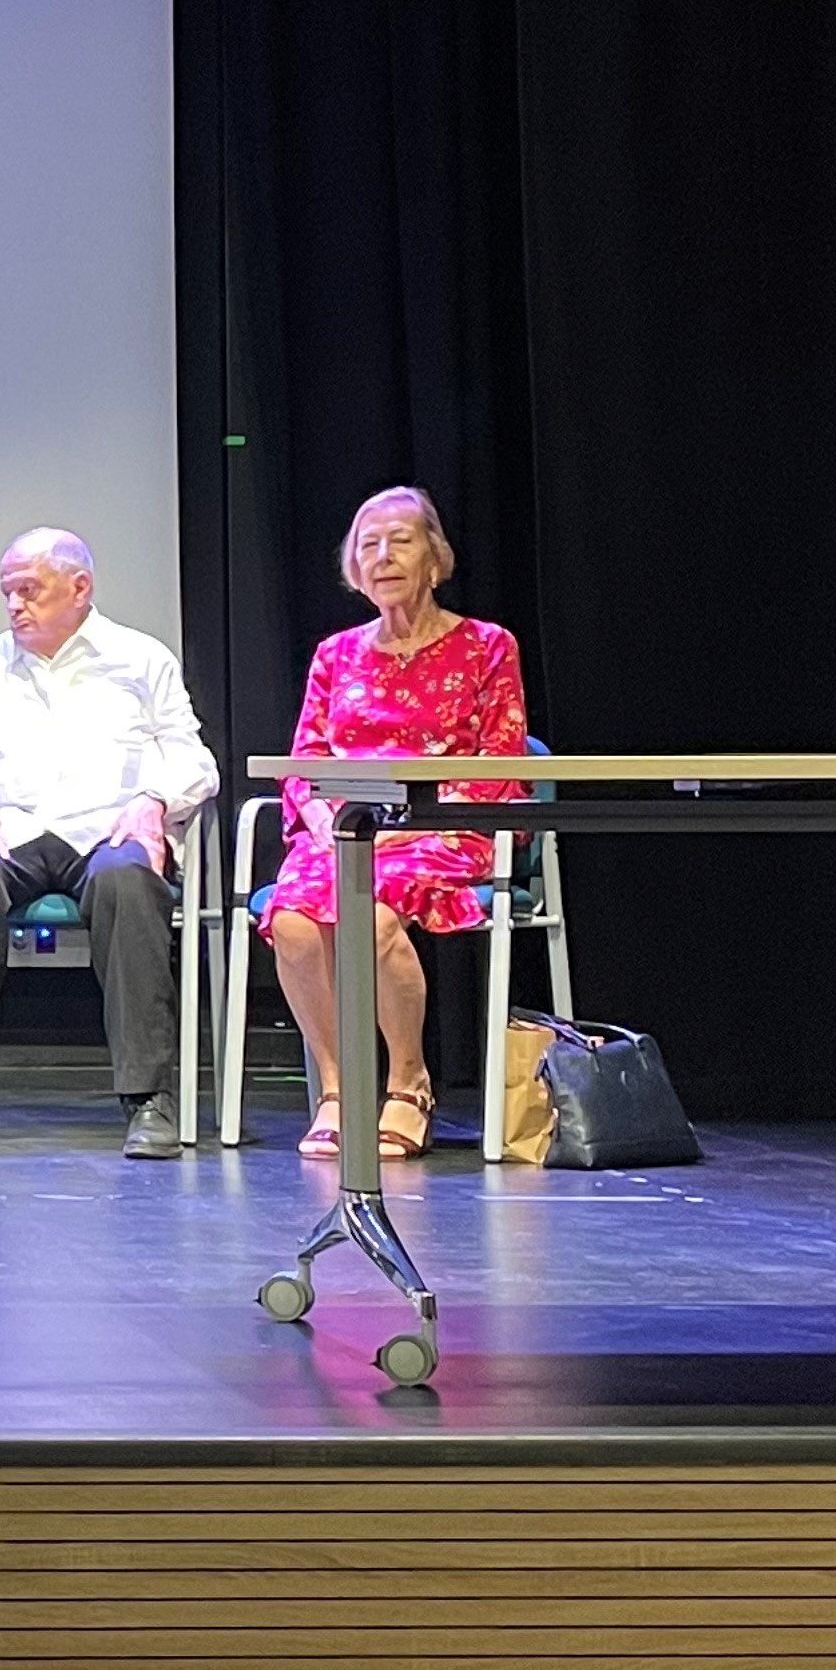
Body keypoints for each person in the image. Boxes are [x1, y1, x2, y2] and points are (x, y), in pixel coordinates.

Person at [0, 528, 219, 1156]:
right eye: (8, 592)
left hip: (108, 828)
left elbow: (193, 759)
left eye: (30, 590)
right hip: (11, 828)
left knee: (128, 880)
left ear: (79, 589)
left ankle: (148, 1099)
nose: (14, 605)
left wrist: (153, 799)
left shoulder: (141, 659)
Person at [258, 485, 529, 1162]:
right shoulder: (335, 654)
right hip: (348, 829)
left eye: (399, 541)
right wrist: (320, 816)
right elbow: (304, 760)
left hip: (446, 826)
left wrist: (412, 821)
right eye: (368, 545)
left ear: (435, 558)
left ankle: (408, 1083)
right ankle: (339, 1090)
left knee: (372, 918)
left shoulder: (487, 646)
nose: (382, 556)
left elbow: (502, 757)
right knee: (291, 921)